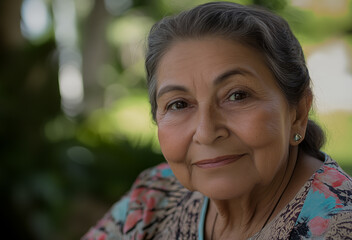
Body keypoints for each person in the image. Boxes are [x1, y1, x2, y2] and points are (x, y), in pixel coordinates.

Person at [82, 2, 352, 239]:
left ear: (298, 112)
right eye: (179, 104)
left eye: (237, 96)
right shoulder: (156, 194)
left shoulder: (338, 226)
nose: (206, 132)